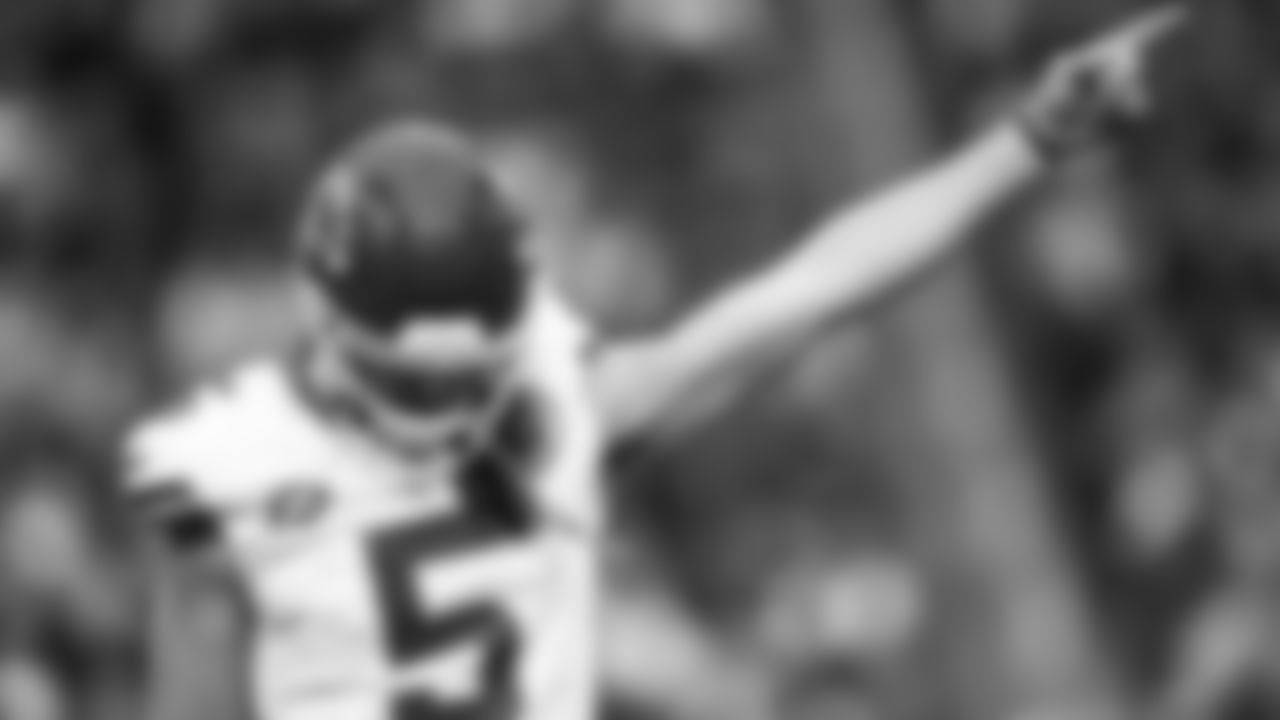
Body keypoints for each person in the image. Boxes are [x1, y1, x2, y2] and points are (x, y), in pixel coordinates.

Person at [122, 9, 1185, 720]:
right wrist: (1025, 143)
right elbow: (818, 284)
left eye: (466, 377)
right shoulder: (555, 413)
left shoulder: (225, 488)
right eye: (419, 384)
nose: (450, 407)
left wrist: (1028, 141)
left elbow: (817, 286)